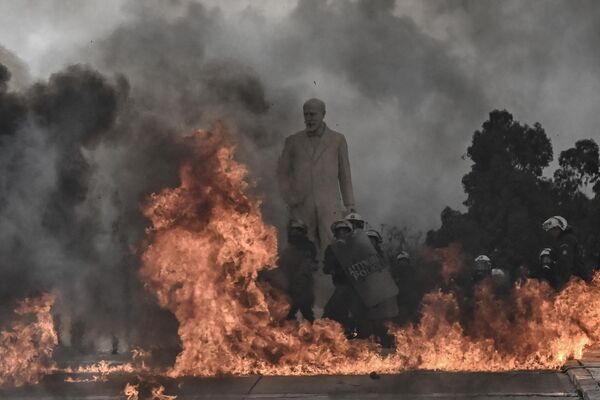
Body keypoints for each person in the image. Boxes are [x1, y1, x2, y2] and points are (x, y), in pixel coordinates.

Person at [277, 98, 356, 250]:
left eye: (313, 114)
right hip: (301, 207)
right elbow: (282, 173)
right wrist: (288, 197)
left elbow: (345, 174)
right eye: (306, 115)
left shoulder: (337, 140)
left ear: (323, 114)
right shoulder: (293, 141)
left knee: (334, 248)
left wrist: (350, 204)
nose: (309, 119)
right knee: (302, 250)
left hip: (329, 206)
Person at [278, 219, 318, 322]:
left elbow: (307, 267)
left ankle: (314, 335)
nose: (295, 233)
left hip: (303, 287)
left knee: (306, 313)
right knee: (288, 314)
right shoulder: (289, 248)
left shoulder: (307, 247)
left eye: (298, 231)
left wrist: (300, 283)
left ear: (303, 232)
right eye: (293, 231)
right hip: (290, 286)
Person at [322, 220, 355, 333]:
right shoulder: (331, 249)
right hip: (340, 284)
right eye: (340, 232)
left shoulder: (355, 249)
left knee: (335, 310)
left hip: (354, 285)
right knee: (335, 310)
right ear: (336, 234)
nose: (342, 234)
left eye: (345, 231)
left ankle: (351, 335)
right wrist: (333, 269)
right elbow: (327, 267)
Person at [542, 215, 589, 289]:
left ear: (561, 227)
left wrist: (565, 280)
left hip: (577, 281)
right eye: (551, 230)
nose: (553, 232)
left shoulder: (567, 240)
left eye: (555, 229)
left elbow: (566, 262)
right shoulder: (560, 242)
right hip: (573, 282)